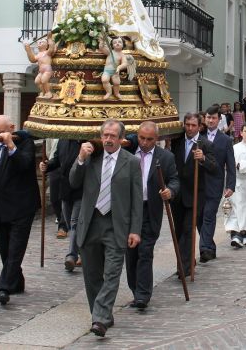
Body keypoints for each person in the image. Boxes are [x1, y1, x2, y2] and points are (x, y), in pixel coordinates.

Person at [68, 119, 143, 337]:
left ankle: (99, 319)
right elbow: (73, 182)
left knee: (111, 274)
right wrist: (80, 158)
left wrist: (135, 230)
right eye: (105, 135)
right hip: (90, 223)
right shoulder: (91, 158)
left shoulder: (131, 162)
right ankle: (101, 315)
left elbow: (137, 199)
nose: (108, 139)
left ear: (121, 138)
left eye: (112, 136)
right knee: (92, 275)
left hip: (116, 225)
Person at [123, 121, 180, 309]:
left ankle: (143, 295)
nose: (144, 142)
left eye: (149, 139)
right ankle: (135, 289)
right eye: (141, 138)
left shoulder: (165, 157)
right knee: (131, 253)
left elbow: (174, 180)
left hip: (150, 209)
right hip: (130, 209)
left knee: (145, 251)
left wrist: (170, 191)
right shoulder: (128, 152)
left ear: (157, 139)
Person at [0, 115, 40, 306]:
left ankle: (4, 288)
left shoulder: (24, 141)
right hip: (2, 205)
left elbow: (25, 164)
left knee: (15, 250)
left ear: (11, 127)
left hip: (22, 205)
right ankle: (17, 281)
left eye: (2, 132)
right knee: (4, 249)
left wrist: (11, 146)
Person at [170, 113, 218, 278]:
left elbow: (214, 167)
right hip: (177, 195)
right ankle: (185, 262)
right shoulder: (176, 142)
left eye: (193, 125)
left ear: (199, 127)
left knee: (188, 230)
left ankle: (185, 268)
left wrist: (203, 158)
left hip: (196, 194)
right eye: (187, 125)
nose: (190, 128)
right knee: (178, 231)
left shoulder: (205, 144)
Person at [199, 106, 236, 263]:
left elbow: (230, 164)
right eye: (208, 117)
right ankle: (211, 247)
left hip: (215, 182)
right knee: (199, 218)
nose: (210, 120)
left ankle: (205, 249)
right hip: (199, 183)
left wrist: (230, 185)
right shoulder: (198, 137)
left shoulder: (225, 140)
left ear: (219, 119)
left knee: (208, 215)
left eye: (213, 118)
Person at [41, 139, 83, 271]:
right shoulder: (63, 141)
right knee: (71, 224)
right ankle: (83, 252)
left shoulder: (88, 142)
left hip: (82, 189)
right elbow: (57, 160)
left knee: (75, 222)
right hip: (65, 189)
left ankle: (71, 256)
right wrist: (47, 165)